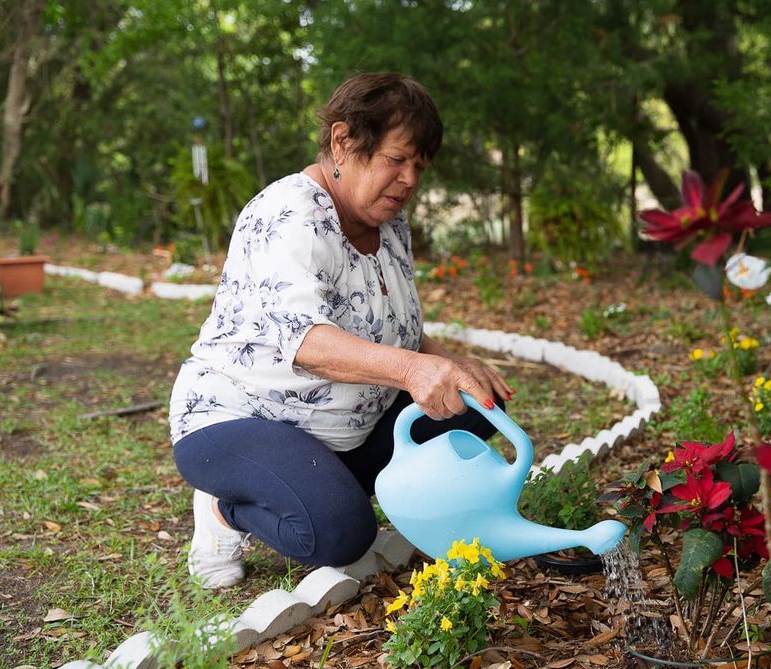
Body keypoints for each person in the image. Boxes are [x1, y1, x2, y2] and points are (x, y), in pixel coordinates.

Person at [168, 72, 513, 589]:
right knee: (342, 534)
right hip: (240, 416)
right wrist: (418, 368)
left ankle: (318, 484)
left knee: (478, 403)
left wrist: (450, 363)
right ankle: (225, 511)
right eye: (396, 160)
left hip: (343, 425)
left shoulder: (391, 225)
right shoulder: (289, 216)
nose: (410, 180)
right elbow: (308, 343)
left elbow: (396, 327)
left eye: (419, 166)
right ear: (343, 142)